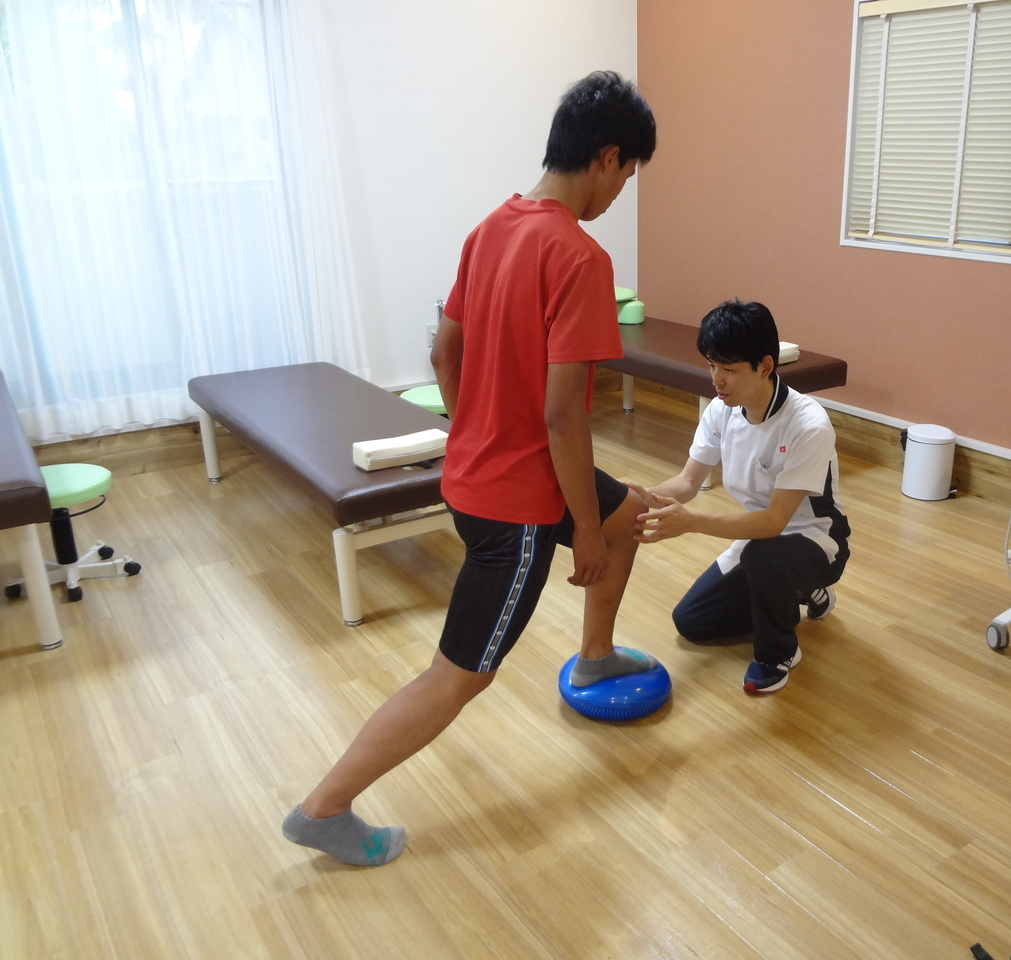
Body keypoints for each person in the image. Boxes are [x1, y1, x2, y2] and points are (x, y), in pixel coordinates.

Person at [282, 71, 658, 866]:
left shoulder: (490, 228)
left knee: (632, 518)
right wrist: (583, 532)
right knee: (459, 674)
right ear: (607, 157)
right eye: (627, 176)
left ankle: (595, 655)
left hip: (488, 471)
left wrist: (476, 431)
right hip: (517, 505)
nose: (621, 192)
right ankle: (325, 808)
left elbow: (442, 354)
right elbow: (564, 416)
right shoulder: (580, 257)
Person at [631, 299, 849, 694]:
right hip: (760, 540)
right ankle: (797, 594)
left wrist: (693, 523)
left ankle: (778, 653)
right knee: (691, 621)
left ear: (764, 366)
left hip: (817, 541)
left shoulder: (808, 424)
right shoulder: (722, 411)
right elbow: (687, 482)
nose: (717, 380)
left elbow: (774, 522)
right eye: (711, 366)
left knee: (764, 557)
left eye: (728, 369)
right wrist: (640, 497)